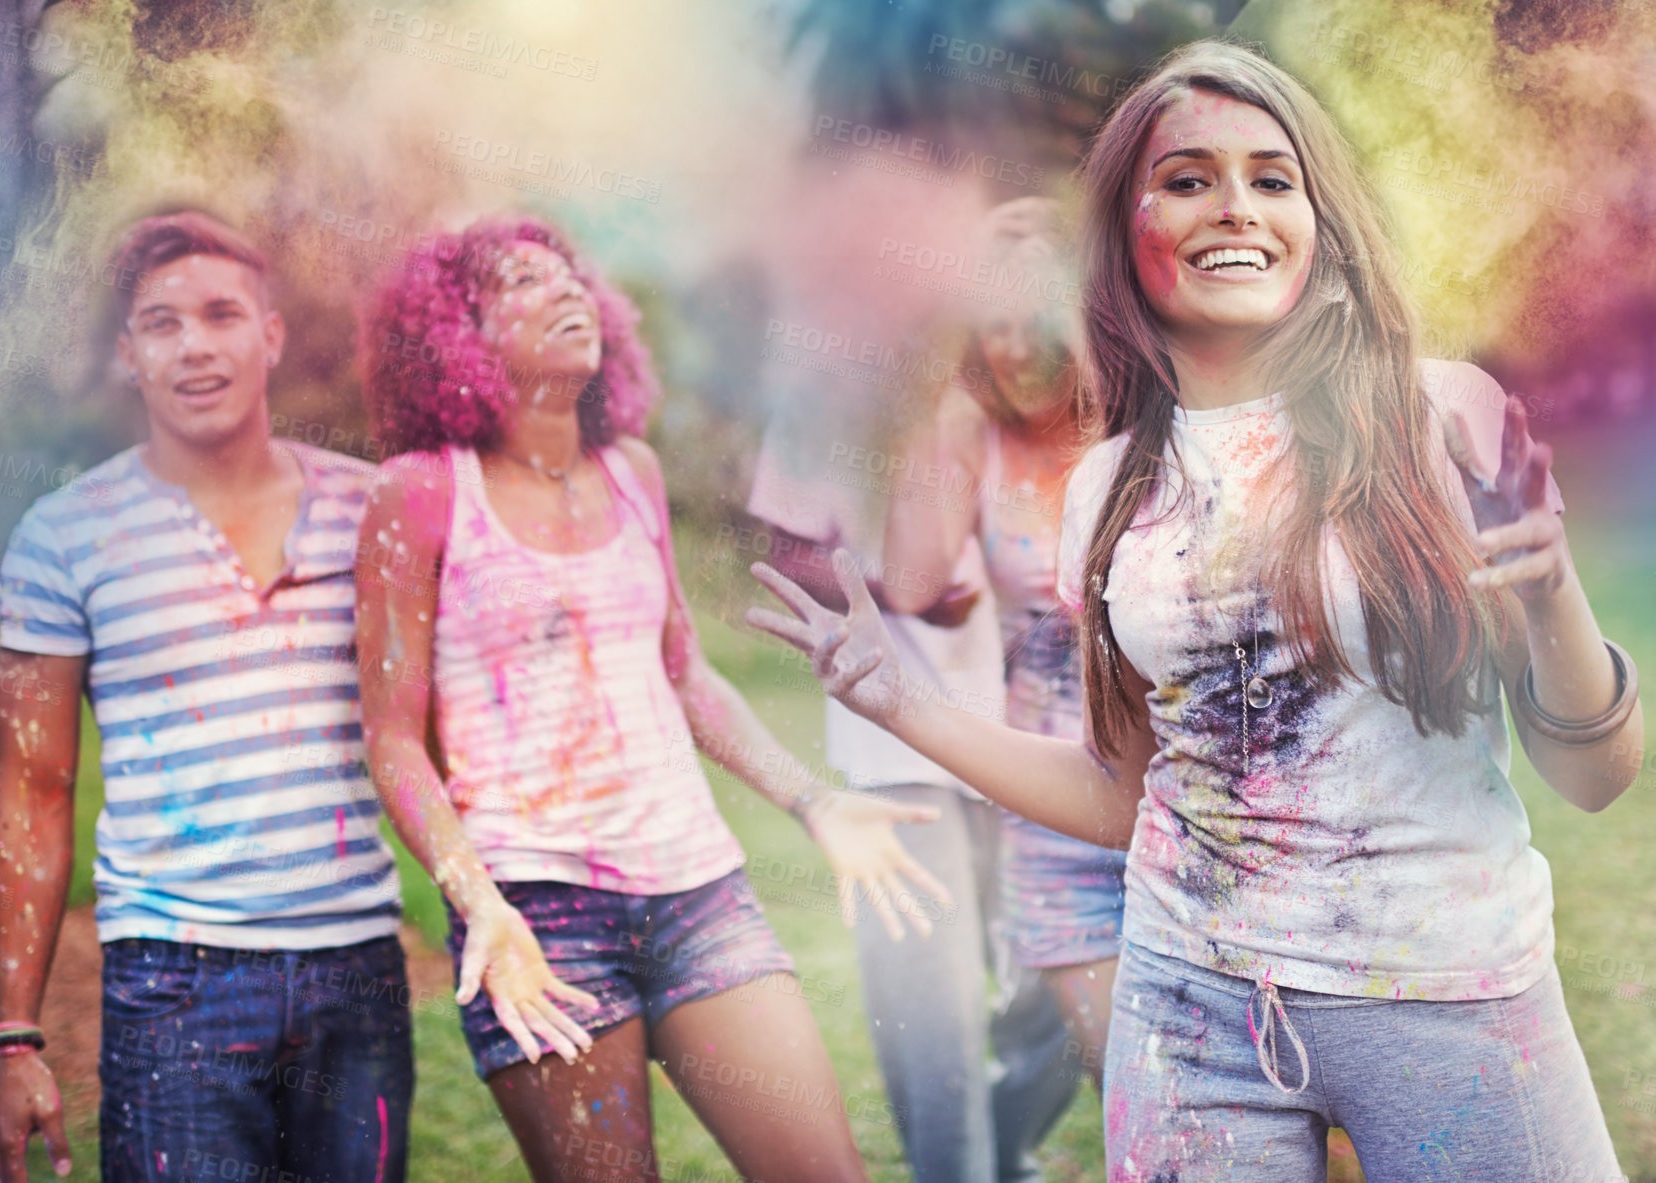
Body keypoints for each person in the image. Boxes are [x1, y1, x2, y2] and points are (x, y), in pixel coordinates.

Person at [748, 39, 1642, 1183]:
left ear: (1321, 222)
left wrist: (1554, 597)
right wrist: (906, 707)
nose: (1236, 206)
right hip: (1188, 1009)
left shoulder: (1442, 419)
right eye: (1187, 179)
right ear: (1127, 233)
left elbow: (1595, 773)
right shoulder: (1104, 486)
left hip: (1444, 1000)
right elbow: (1129, 792)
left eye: (1273, 178)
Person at [354, 214, 948, 1183]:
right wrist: (480, 904)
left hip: (696, 891)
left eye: (571, 278)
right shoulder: (418, 493)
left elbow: (684, 673)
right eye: (519, 282)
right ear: (454, 334)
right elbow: (392, 739)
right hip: (536, 914)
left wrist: (815, 800)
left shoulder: (631, 472)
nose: (566, 293)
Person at [0, 210, 413, 1183]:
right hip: (174, 980)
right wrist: (16, 1034)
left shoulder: (375, 505)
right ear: (128, 354)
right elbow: (34, 795)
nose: (195, 344)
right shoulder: (63, 536)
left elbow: (446, 722)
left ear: (270, 331)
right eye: (162, 323)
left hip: (359, 967)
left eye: (221, 313)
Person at [749, 389, 1080, 1183]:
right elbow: (782, 553)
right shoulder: (817, 400)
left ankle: (1003, 1143)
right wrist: (898, 585)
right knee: (935, 1026)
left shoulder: (1027, 393)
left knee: (1068, 991)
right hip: (895, 749)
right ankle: (958, 1168)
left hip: (1035, 742)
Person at [882, 197, 1126, 1089]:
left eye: (1035, 323)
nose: (1012, 350)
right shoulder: (971, 432)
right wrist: (938, 406)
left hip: (1187, 800)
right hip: (1052, 810)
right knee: (1136, 1093)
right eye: (991, 328)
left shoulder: (1150, 419)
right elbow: (911, 581)